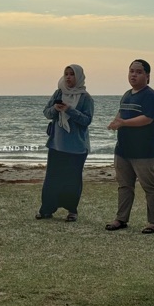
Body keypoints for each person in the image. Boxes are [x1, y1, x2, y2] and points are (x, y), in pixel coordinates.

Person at [105, 59, 154, 234]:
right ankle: (121, 219)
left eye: (138, 72)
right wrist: (116, 121)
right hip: (123, 149)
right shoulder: (127, 94)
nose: (134, 75)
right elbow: (121, 112)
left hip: (144, 151)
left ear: (147, 76)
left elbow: (147, 119)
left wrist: (123, 122)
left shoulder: (150, 95)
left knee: (150, 187)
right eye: (131, 71)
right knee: (124, 185)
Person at [37, 64, 94, 222]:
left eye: (72, 74)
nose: (68, 77)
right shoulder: (59, 92)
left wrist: (69, 110)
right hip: (56, 144)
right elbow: (46, 113)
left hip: (77, 147)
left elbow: (86, 120)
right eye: (66, 74)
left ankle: (72, 211)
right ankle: (46, 209)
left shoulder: (85, 97)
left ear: (79, 77)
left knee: (73, 180)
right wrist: (56, 108)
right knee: (52, 178)